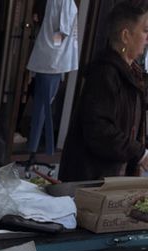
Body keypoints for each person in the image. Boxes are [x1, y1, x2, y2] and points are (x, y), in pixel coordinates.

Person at [59, 1, 148, 181]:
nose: (147, 39)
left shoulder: (132, 73)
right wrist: (140, 153)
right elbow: (100, 131)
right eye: (145, 30)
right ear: (125, 36)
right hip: (91, 179)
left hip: (113, 176)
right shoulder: (104, 73)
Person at [25, 0, 80, 164]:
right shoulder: (65, 1)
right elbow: (62, 32)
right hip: (53, 62)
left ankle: (35, 151)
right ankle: (41, 152)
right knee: (44, 108)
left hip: (48, 59)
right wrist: (55, 52)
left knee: (41, 107)